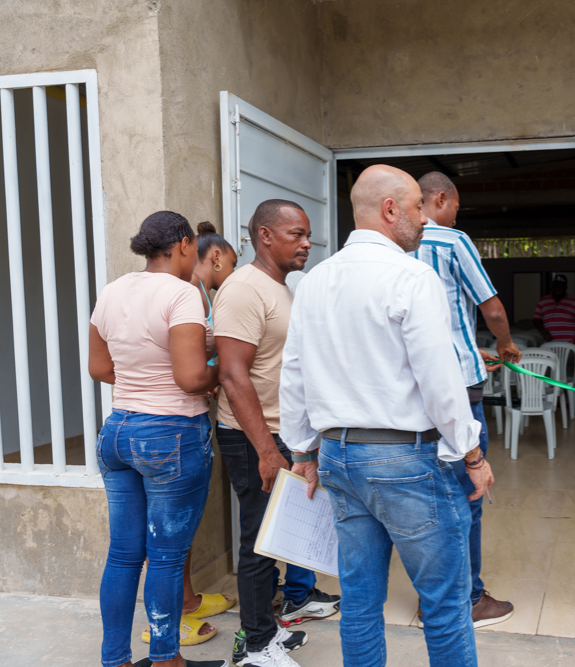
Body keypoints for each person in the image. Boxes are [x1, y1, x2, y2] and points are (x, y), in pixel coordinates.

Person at [281, 165, 494, 666]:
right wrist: (472, 451)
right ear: (390, 209)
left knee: (359, 602)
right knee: (444, 605)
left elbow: (293, 375)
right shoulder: (411, 276)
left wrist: (302, 451)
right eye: (418, 206)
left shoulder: (314, 282)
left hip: (338, 457)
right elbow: (441, 381)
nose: (424, 218)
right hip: (407, 461)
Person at [89, 211, 226, 667]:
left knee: (125, 555)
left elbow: (99, 368)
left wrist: (141, 381)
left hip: (117, 432)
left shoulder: (112, 290)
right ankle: (167, 660)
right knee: (166, 557)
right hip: (169, 433)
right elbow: (190, 379)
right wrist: (220, 376)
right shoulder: (181, 294)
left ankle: (116, 660)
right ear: (186, 245)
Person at [214, 200, 340, 667]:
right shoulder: (245, 289)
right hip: (255, 438)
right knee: (259, 542)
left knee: (280, 539)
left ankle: (265, 630)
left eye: (307, 234)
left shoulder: (281, 288)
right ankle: (254, 647)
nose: (306, 243)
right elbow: (232, 374)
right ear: (265, 236)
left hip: (281, 434)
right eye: (296, 234)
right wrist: (267, 450)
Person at [412, 171, 519, 628]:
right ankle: (468, 598)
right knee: (469, 493)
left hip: (411, 392)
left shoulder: (396, 245)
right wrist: (508, 344)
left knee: (425, 496)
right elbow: (489, 306)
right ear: (440, 198)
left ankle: (430, 594)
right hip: (457, 387)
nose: (457, 214)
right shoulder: (451, 241)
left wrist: (473, 349)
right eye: (455, 205)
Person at [137, 222, 240, 648]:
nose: (233, 274)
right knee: (168, 534)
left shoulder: (190, 290)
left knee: (177, 529)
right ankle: (171, 621)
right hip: (171, 423)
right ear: (213, 257)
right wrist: (227, 365)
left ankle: (188, 600)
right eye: (232, 265)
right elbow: (193, 368)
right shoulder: (188, 291)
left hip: (149, 424)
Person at [533, 274, 575, 344]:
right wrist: (544, 332)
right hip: (549, 343)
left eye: (561, 286)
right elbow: (536, 320)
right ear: (552, 287)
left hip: (569, 343)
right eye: (556, 286)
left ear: (566, 287)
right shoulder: (543, 301)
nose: (558, 288)